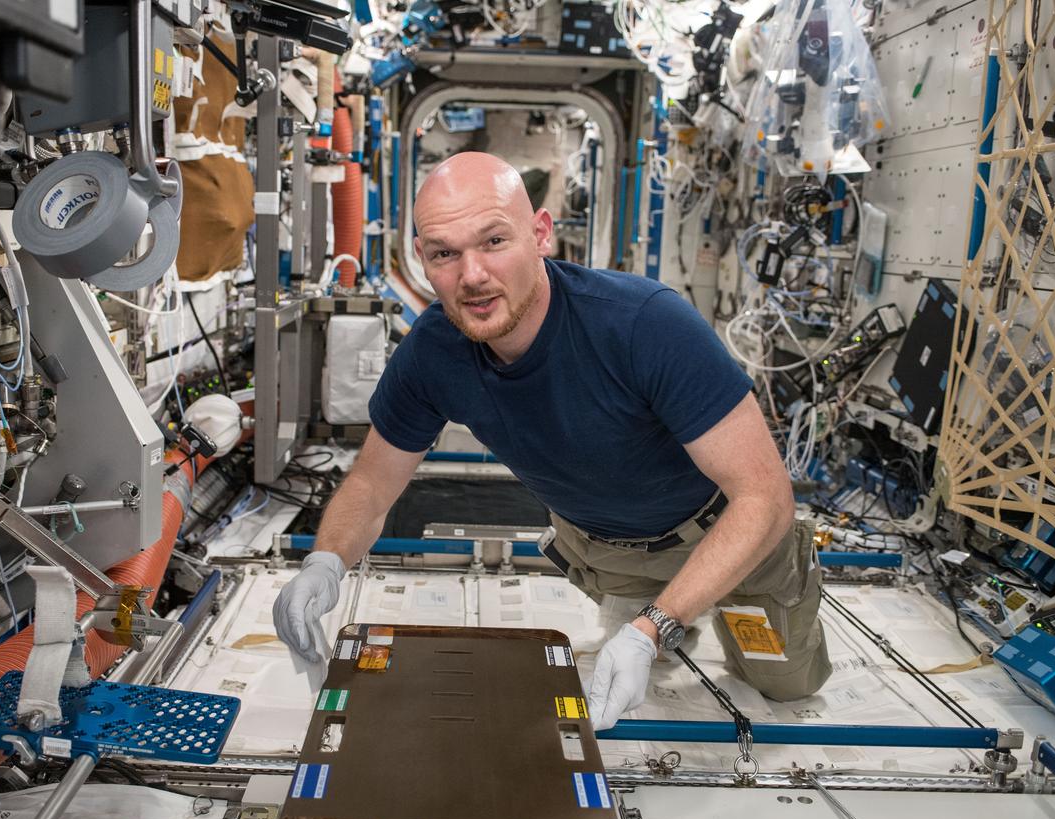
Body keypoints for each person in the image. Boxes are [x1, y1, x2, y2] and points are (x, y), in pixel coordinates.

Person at [272, 152, 831, 728]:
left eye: (493, 241)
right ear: (422, 260)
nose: (472, 276)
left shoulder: (643, 324)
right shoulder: (433, 352)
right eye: (445, 253)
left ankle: (691, 617)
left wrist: (651, 628)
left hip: (728, 533)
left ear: (541, 234)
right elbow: (371, 483)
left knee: (783, 691)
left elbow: (764, 497)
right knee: (642, 694)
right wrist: (326, 561)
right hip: (610, 552)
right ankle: (663, 623)